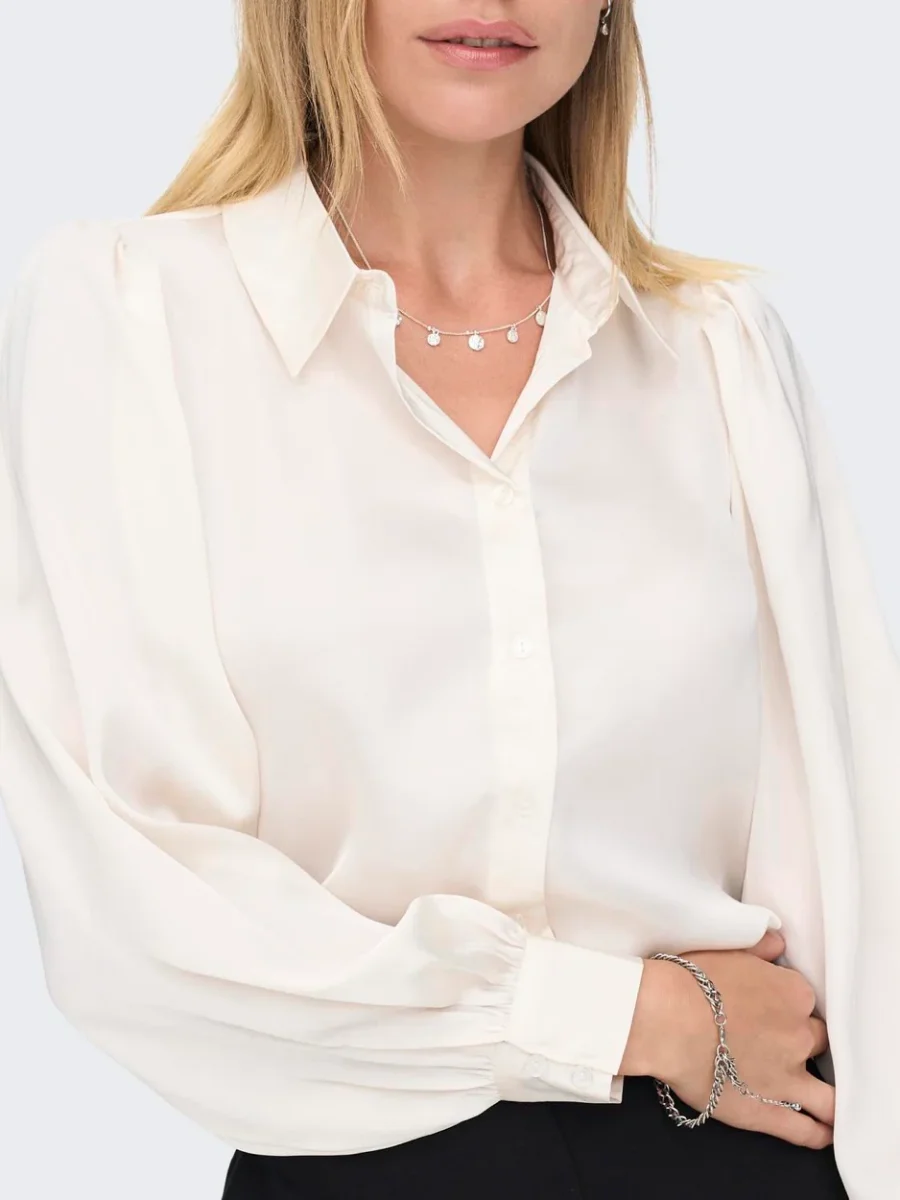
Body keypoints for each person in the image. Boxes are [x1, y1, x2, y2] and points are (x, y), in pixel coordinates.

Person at [1, 1, 897, 1197]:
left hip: (735, 1146)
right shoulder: (132, 317)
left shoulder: (716, 348)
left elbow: (851, 866)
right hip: (364, 1158)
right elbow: (134, 891)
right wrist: (624, 1017)